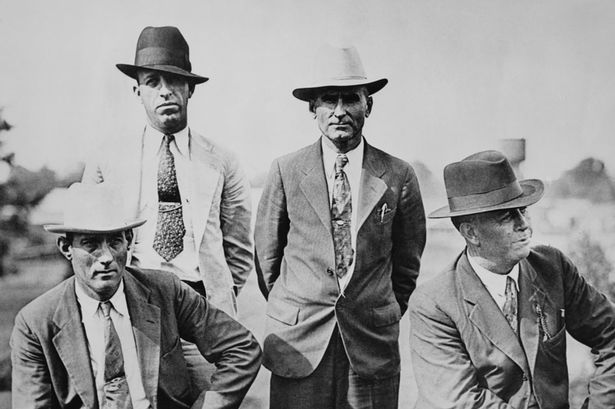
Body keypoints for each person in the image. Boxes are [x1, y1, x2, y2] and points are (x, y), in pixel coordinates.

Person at [255, 44, 426, 409]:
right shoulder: (285, 170)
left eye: (350, 99)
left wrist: (376, 310)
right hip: (299, 345)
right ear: (312, 108)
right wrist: (299, 305)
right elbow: (267, 261)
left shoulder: (398, 175)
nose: (339, 111)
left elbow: (407, 264)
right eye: (328, 100)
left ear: (368, 105)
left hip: (370, 346)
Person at [82, 26, 253, 388]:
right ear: (137, 91)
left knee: (209, 397)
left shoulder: (222, 161)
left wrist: (212, 300)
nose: (164, 91)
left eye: (174, 81)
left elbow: (238, 249)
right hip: (132, 307)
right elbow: (89, 241)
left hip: (202, 311)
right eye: (152, 81)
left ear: (190, 88)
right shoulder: (107, 159)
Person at [10, 183, 261, 409]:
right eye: (91, 244)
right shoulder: (36, 323)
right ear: (66, 248)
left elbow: (241, 348)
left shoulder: (166, 291)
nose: (106, 257)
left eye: (114, 242)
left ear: (128, 241)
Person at [409, 150, 615, 408]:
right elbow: (461, 402)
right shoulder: (433, 304)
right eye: (507, 216)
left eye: (523, 210)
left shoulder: (552, 267)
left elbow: (611, 334)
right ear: (471, 233)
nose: (523, 224)